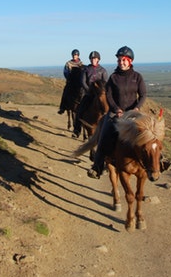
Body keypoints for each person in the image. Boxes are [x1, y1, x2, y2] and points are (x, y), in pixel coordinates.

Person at [87, 46, 147, 178]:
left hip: (134, 113)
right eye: (119, 60)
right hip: (116, 112)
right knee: (104, 134)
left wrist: (136, 108)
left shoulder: (137, 77)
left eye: (124, 60)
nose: (121, 62)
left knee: (150, 133)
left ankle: (159, 161)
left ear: (130, 61)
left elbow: (143, 95)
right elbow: (109, 96)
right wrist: (116, 109)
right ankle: (97, 166)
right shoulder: (113, 77)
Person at [72, 51, 108, 138]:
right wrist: (89, 90)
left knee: (108, 109)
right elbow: (83, 82)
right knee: (80, 110)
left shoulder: (103, 70)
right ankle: (77, 129)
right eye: (92, 59)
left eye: (95, 58)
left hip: (100, 95)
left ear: (98, 59)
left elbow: (105, 83)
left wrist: (100, 92)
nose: (93, 60)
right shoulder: (86, 70)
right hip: (89, 94)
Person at [58, 49, 84, 115]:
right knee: (65, 92)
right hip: (71, 82)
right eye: (74, 55)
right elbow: (65, 72)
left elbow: (83, 72)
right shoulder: (68, 63)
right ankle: (62, 107)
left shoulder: (81, 63)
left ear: (78, 55)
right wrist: (69, 78)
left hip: (79, 82)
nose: (74, 56)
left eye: (76, 55)